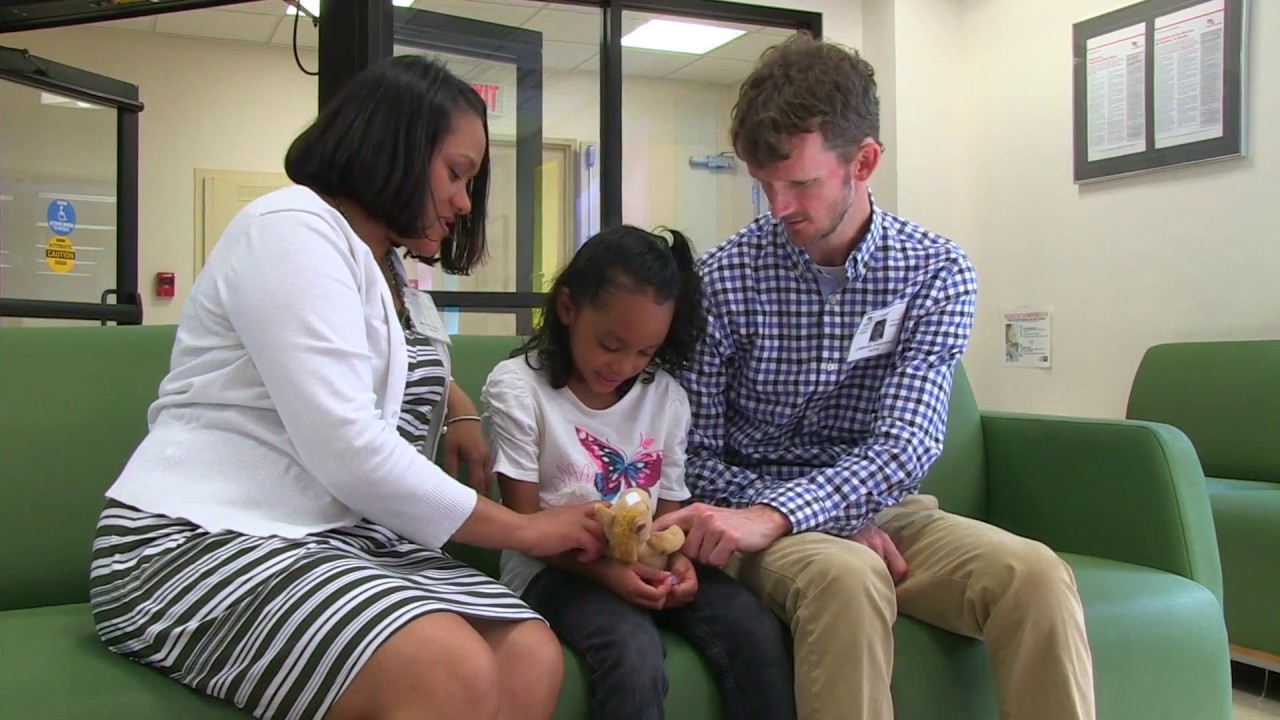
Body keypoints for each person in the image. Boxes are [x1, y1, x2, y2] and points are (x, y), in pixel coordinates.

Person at [88, 55, 605, 720]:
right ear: (394, 147)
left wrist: (460, 409)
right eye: (456, 173)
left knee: (529, 652)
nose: (463, 202)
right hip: (194, 534)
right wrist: (525, 531)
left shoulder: (393, 275)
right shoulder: (290, 229)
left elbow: (382, 369)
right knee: (445, 663)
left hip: (335, 534)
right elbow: (349, 446)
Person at [654, 34, 1096, 720]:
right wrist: (794, 522)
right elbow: (695, 458)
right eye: (763, 185)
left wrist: (818, 513)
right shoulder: (721, 279)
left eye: (799, 183)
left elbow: (908, 443)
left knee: (1035, 577)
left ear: (864, 162)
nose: (778, 208)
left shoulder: (936, 272)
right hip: (753, 513)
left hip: (880, 510)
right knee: (844, 573)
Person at [480, 225, 797, 720]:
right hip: (551, 570)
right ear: (568, 309)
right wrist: (609, 574)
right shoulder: (519, 388)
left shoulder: (665, 395)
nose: (624, 365)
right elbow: (525, 528)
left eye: (645, 352)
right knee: (632, 648)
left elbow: (669, 516)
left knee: (754, 627)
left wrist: (680, 565)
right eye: (609, 344)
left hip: (645, 563)